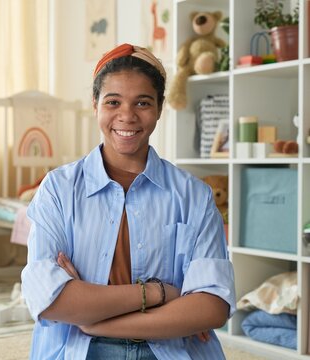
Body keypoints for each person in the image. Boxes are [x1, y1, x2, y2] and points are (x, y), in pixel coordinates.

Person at [21, 43, 236, 360]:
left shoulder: (194, 195)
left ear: (160, 108)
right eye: (113, 102)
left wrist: (96, 320)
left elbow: (212, 308)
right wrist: (159, 293)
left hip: (168, 351)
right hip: (79, 350)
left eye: (143, 102)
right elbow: (50, 300)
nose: (127, 115)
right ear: (95, 104)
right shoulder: (58, 189)